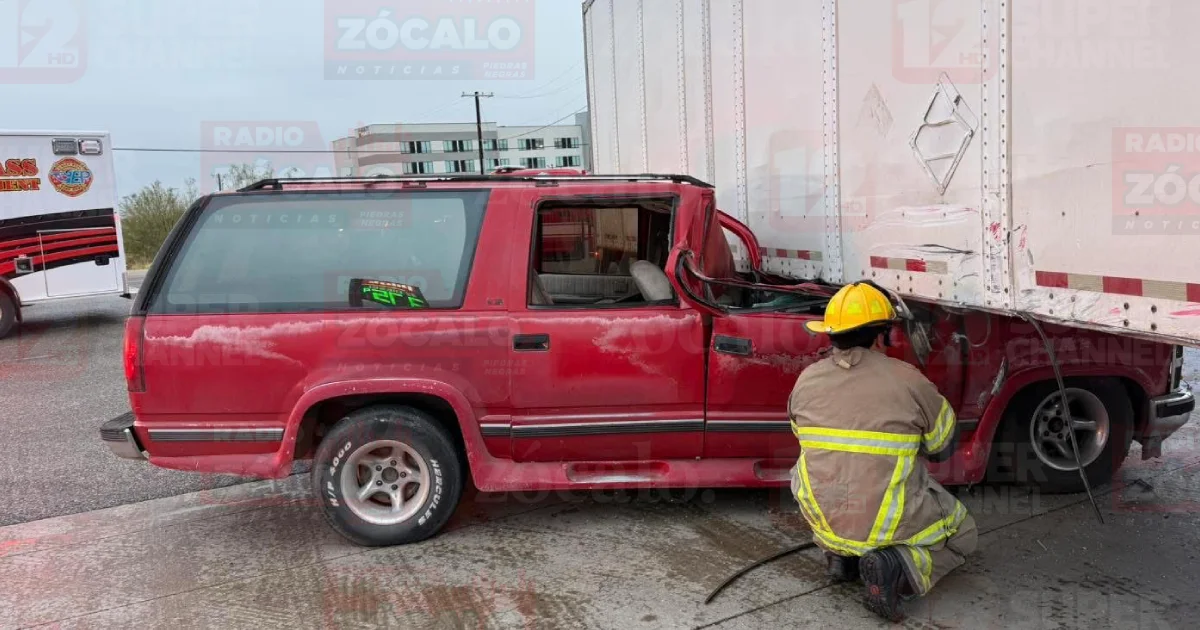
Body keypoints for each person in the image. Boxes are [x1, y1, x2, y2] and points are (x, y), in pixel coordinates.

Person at [788, 282, 978, 622]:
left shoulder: (806, 380)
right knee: (963, 532)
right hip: (882, 524)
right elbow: (942, 447)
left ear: (831, 335)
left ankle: (840, 557)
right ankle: (895, 567)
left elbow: (806, 441)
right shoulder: (908, 380)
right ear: (882, 335)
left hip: (824, 522)